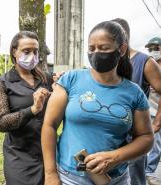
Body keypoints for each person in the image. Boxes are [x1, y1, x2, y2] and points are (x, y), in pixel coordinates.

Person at [41, 21, 154, 185]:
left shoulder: (134, 92)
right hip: (69, 178)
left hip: (115, 179)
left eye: (104, 48)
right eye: (91, 48)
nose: (96, 53)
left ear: (121, 49)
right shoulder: (70, 80)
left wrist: (113, 158)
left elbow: (146, 138)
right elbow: (49, 125)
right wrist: (50, 174)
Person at [0, 31, 53, 185]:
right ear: (14, 51)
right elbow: (1, 122)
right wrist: (32, 110)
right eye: (26, 51)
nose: (32, 55)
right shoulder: (3, 83)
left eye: (35, 51)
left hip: (48, 152)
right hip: (20, 155)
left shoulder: (46, 78)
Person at [112, 18, 161, 185]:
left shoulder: (145, 62)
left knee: (135, 179)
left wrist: (156, 124)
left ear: (124, 37)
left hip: (134, 139)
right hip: (111, 137)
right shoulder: (108, 62)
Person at [144, 37, 161, 185]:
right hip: (147, 114)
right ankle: (146, 170)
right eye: (150, 49)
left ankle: (149, 171)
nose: (152, 51)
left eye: (156, 48)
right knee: (146, 144)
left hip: (158, 116)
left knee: (157, 145)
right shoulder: (148, 67)